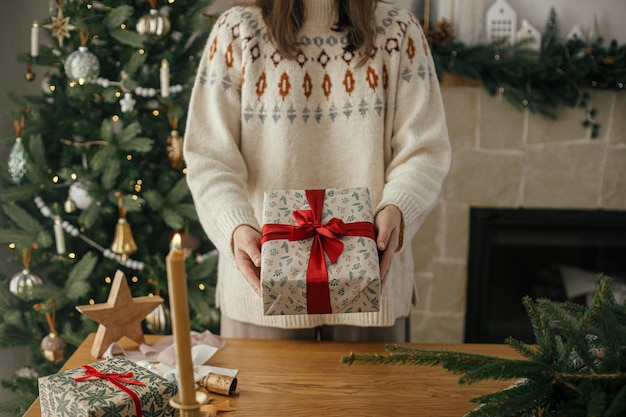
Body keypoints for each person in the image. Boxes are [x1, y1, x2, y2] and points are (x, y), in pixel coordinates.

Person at [183, 0, 451, 342]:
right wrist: (235, 226)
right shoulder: (236, 32)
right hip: (260, 294)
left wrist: (398, 207)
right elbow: (209, 156)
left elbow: (424, 150)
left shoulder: (400, 32)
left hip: (372, 294)